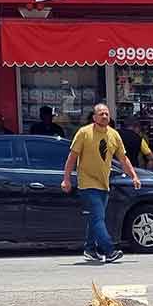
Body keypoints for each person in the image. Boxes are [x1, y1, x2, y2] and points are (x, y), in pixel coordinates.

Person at [61, 103, 141, 264]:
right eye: (101, 114)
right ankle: (109, 250)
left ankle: (90, 249)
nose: (104, 116)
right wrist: (66, 178)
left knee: (95, 218)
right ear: (94, 117)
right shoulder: (84, 133)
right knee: (98, 218)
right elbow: (72, 157)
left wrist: (134, 176)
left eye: (106, 113)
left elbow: (123, 158)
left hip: (104, 183)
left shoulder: (114, 135)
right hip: (87, 183)